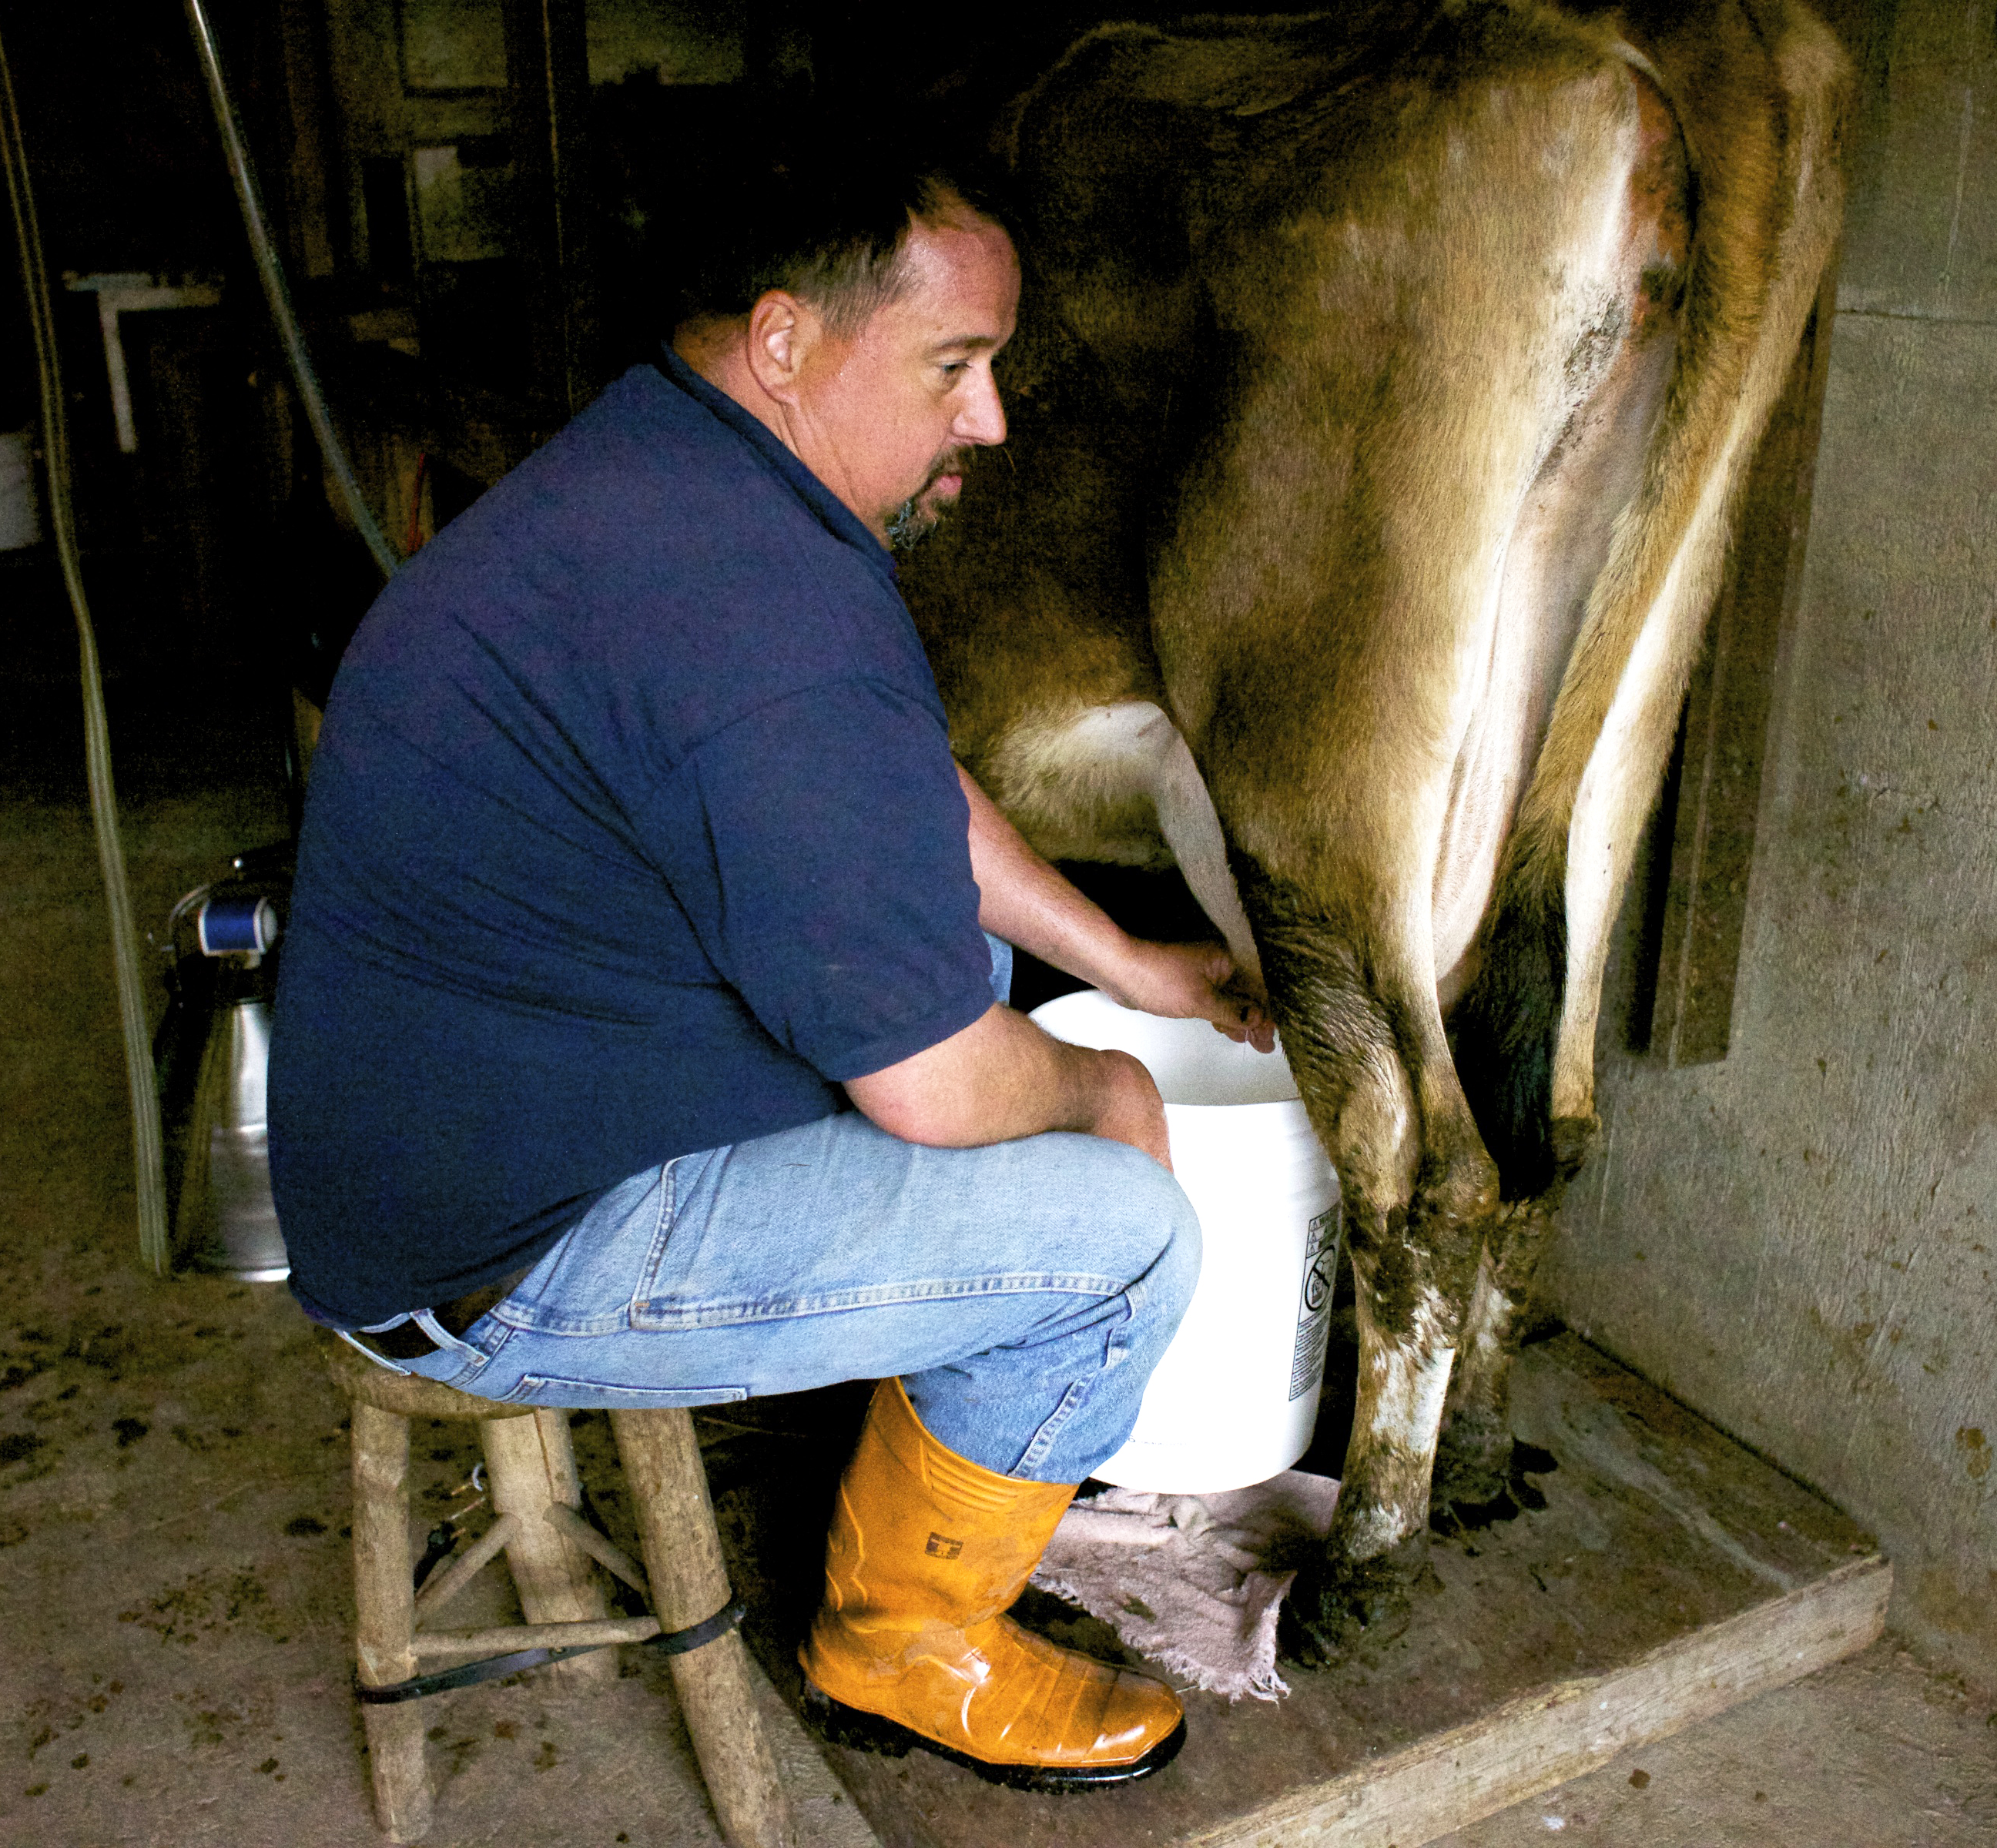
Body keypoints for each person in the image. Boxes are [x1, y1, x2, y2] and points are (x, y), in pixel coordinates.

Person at [268, 149, 1268, 1790]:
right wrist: (1106, 1085)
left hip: (473, 1130)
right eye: (957, 366)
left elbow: (893, 782)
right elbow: (939, 1089)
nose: (991, 421)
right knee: (1125, 1233)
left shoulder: (682, 467)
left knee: (1021, 1025)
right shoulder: (761, 616)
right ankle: (902, 1643)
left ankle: (940, 1515)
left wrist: (1124, 962)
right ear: (790, 340)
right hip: (493, 1259)